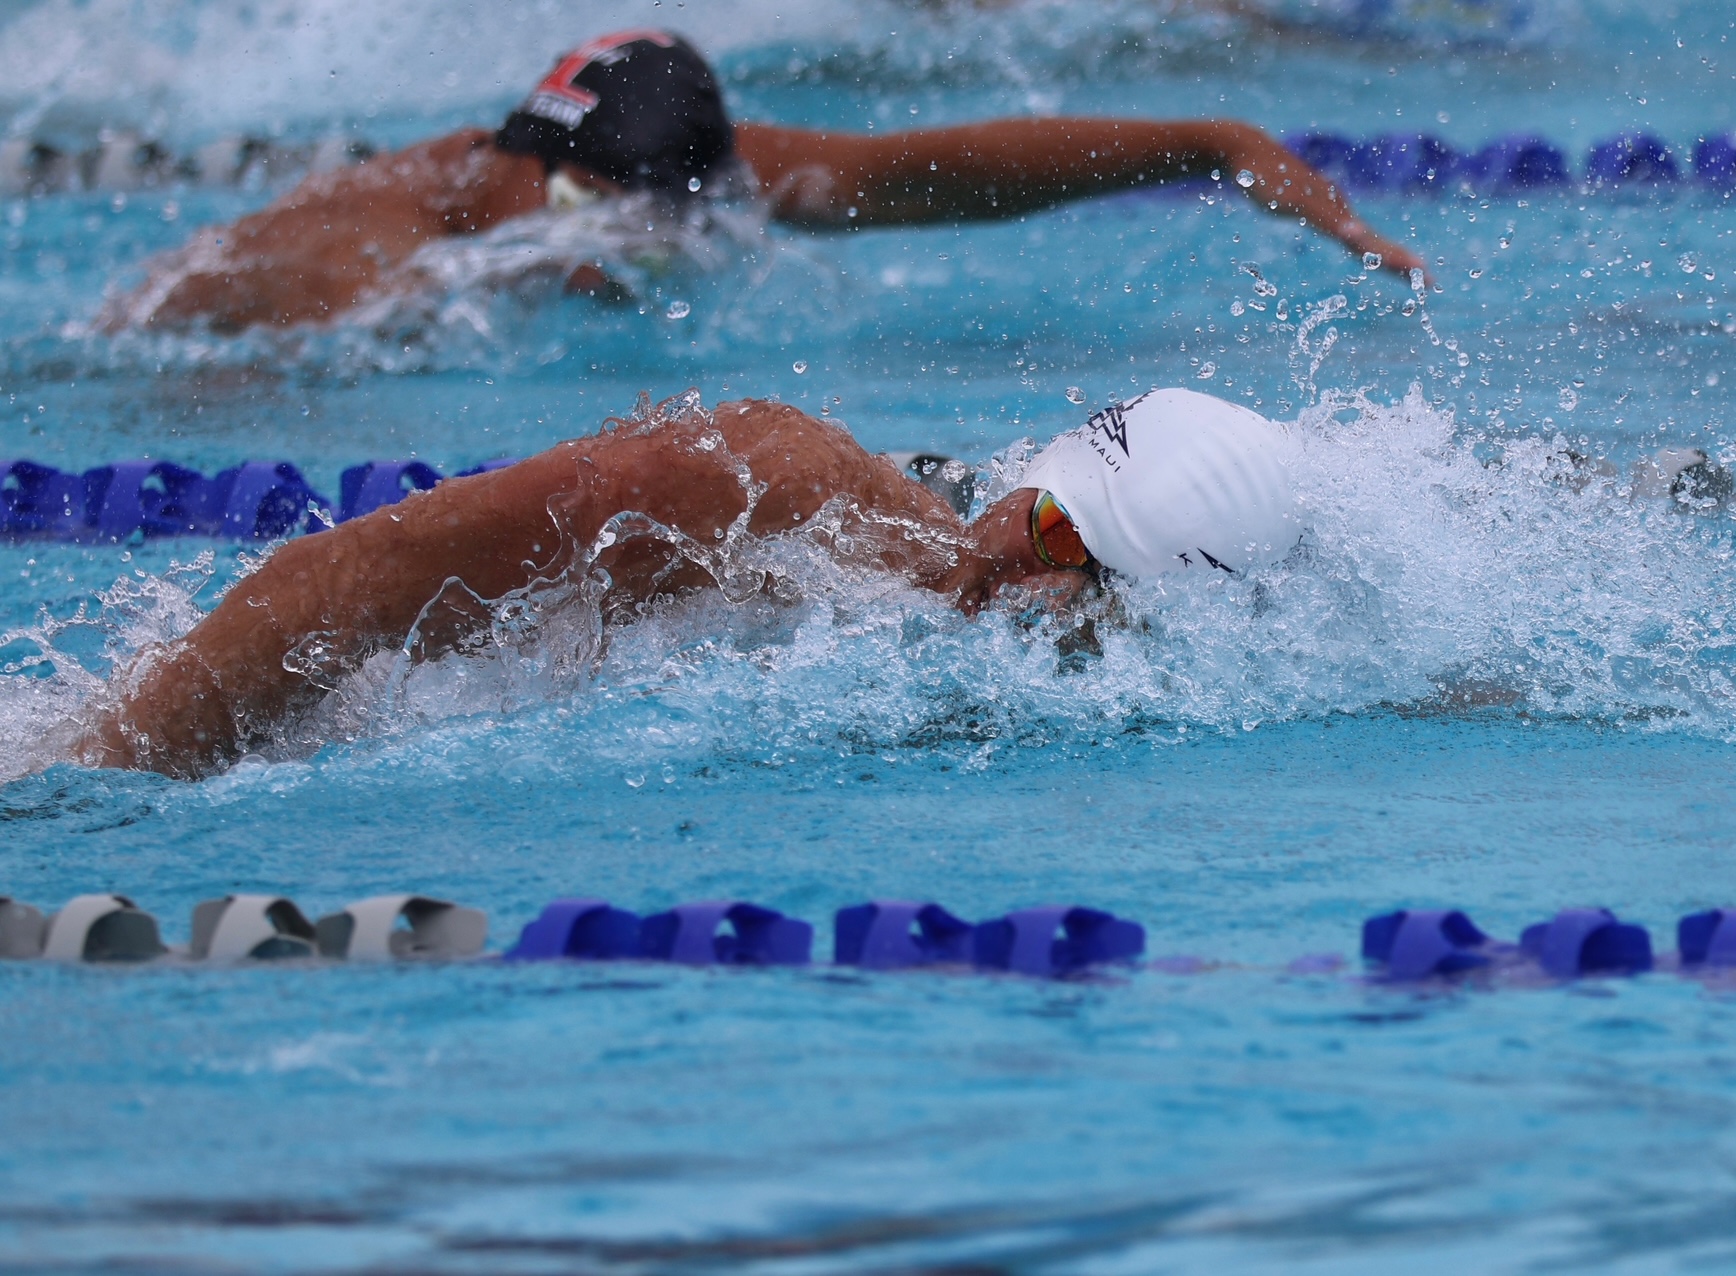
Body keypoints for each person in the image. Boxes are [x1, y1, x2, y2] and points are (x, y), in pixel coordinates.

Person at [70, 386, 1297, 778]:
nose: (1027, 577)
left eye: (1084, 572)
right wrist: (107, 777)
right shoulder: (762, 486)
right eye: (1042, 521)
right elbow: (341, 576)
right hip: (170, 735)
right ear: (1032, 475)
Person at [98, 29, 1426, 332]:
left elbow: (932, 176)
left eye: (664, 217)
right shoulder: (352, 271)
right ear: (524, 158)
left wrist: (1212, 142)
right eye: (581, 213)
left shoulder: (671, 175)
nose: (619, 246)